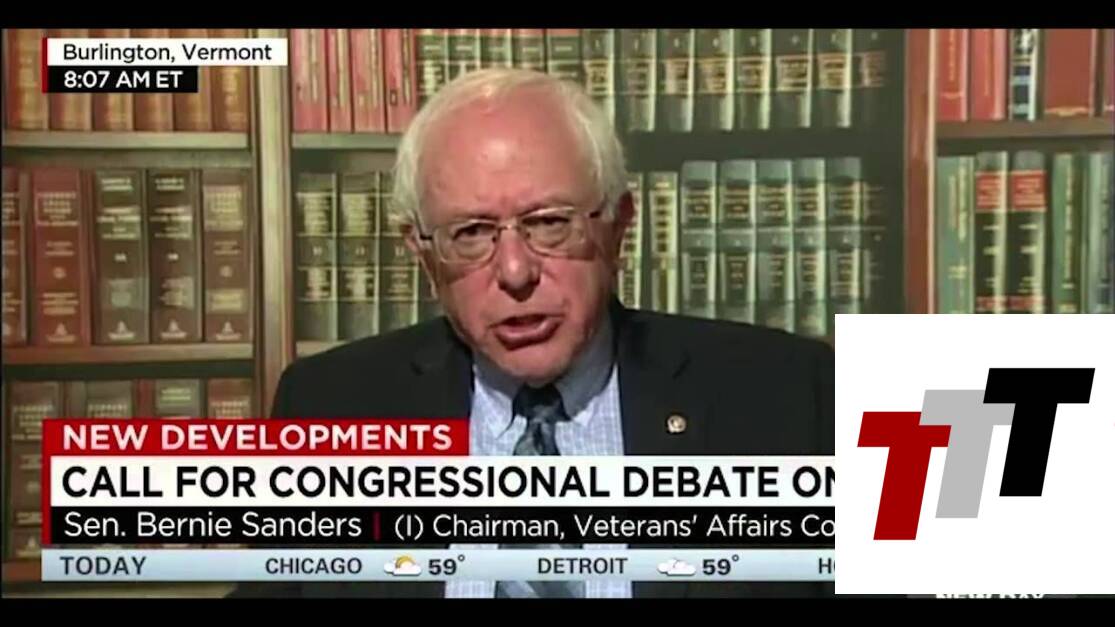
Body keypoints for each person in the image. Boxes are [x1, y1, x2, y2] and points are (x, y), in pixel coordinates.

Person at [232, 68, 833, 599]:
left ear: (618, 227)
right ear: (423, 256)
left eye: (549, 223)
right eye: (471, 233)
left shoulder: (789, 396)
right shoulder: (330, 406)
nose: (516, 272)